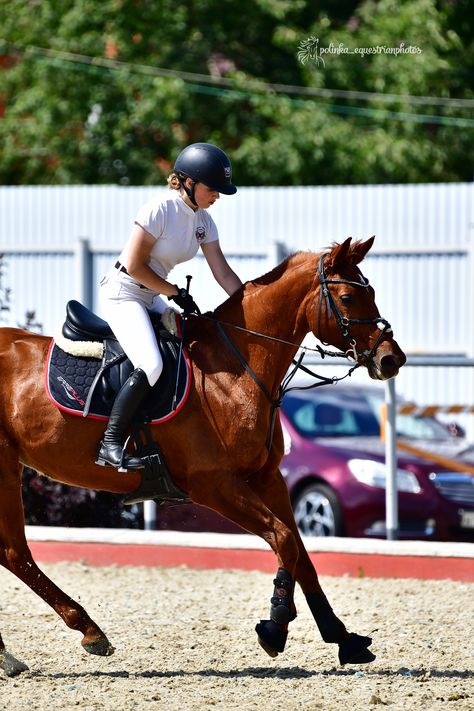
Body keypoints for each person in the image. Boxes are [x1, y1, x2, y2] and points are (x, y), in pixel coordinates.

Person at [96, 142, 243, 470]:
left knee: (193, 349)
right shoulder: (159, 209)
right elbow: (134, 265)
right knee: (151, 364)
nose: (217, 195)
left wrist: (248, 306)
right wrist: (174, 292)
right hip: (123, 294)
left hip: (150, 296)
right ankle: (110, 442)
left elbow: (222, 272)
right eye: (212, 188)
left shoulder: (204, 221)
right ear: (188, 182)